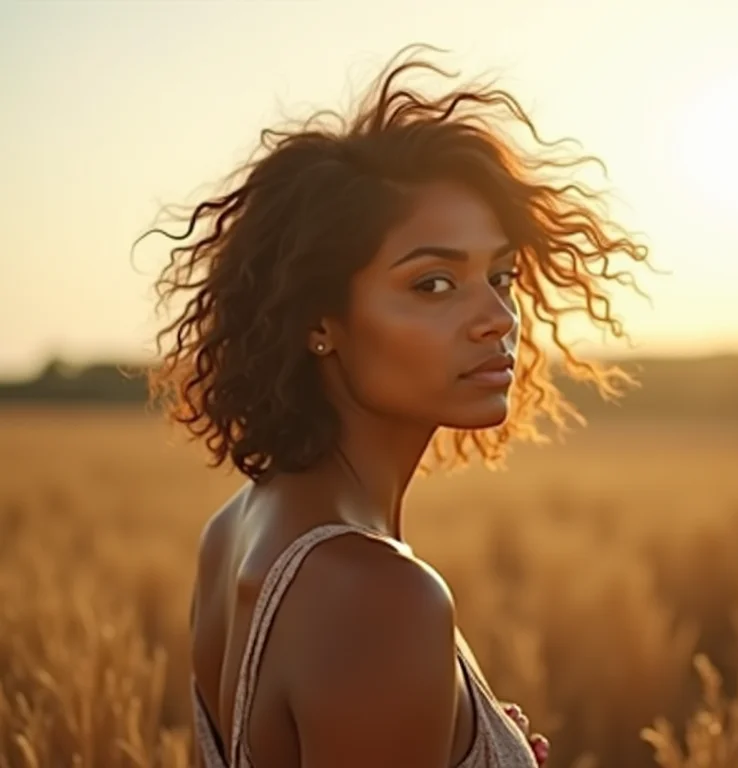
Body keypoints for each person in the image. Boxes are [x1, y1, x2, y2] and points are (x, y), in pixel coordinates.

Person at [134, 42, 649, 768]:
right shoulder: (379, 600)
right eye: (433, 283)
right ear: (320, 320)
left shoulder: (238, 528)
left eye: (500, 276)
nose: (497, 318)